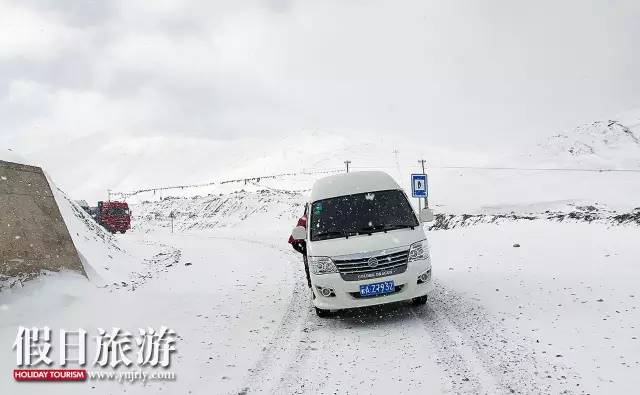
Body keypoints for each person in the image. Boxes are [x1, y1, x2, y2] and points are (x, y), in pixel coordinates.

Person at [288, 206, 311, 288]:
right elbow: (294, 241)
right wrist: (305, 252)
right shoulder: (305, 219)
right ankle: (311, 284)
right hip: (311, 249)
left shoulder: (306, 218)